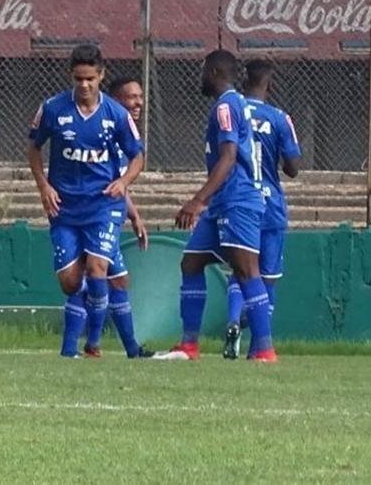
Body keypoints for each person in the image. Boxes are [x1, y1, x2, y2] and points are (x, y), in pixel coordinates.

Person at [155, 50, 276, 363]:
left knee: (247, 270)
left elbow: (229, 156)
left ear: (213, 72)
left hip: (237, 200)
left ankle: (264, 349)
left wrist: (198, 200)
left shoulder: (226, 105)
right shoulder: (232, 104)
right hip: (223, 202)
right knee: (191, 263)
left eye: (202, 71)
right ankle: (189, 345)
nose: (199, 78)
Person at [28, 45, 144, 358]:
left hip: (103, 206)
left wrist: (123, 182)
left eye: (90, 78)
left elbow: (137, 156)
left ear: (101, 76)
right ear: (71, 76)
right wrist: (44, 186)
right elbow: (34, 148)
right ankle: (86, 343)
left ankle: (91, 345)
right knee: (70, 281)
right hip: (64, 206)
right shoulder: (53, 108)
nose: (84, 85)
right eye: (78, 78)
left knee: (98, 269)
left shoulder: (116, 115)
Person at [223, 59, 301, 359]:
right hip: (270, 204)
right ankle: (258, 346)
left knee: (241, 270)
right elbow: (293, 168)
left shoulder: (231, 110)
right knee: (266, 277)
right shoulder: (279, 118)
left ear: (243, 82)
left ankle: (233, 318)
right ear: (270, 84)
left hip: (239, 200)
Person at [104, 76, 154, 358]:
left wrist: (134, 216)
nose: (138, 103)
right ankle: (87, 347)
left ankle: (97, 346)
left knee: (107, 279)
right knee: (105, 279)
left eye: (140, 96)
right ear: (115, 100)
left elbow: (118, 183)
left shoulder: (124, 131)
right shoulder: (110, 128)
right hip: (95, 215)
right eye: (131, 97)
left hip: (109, 214)